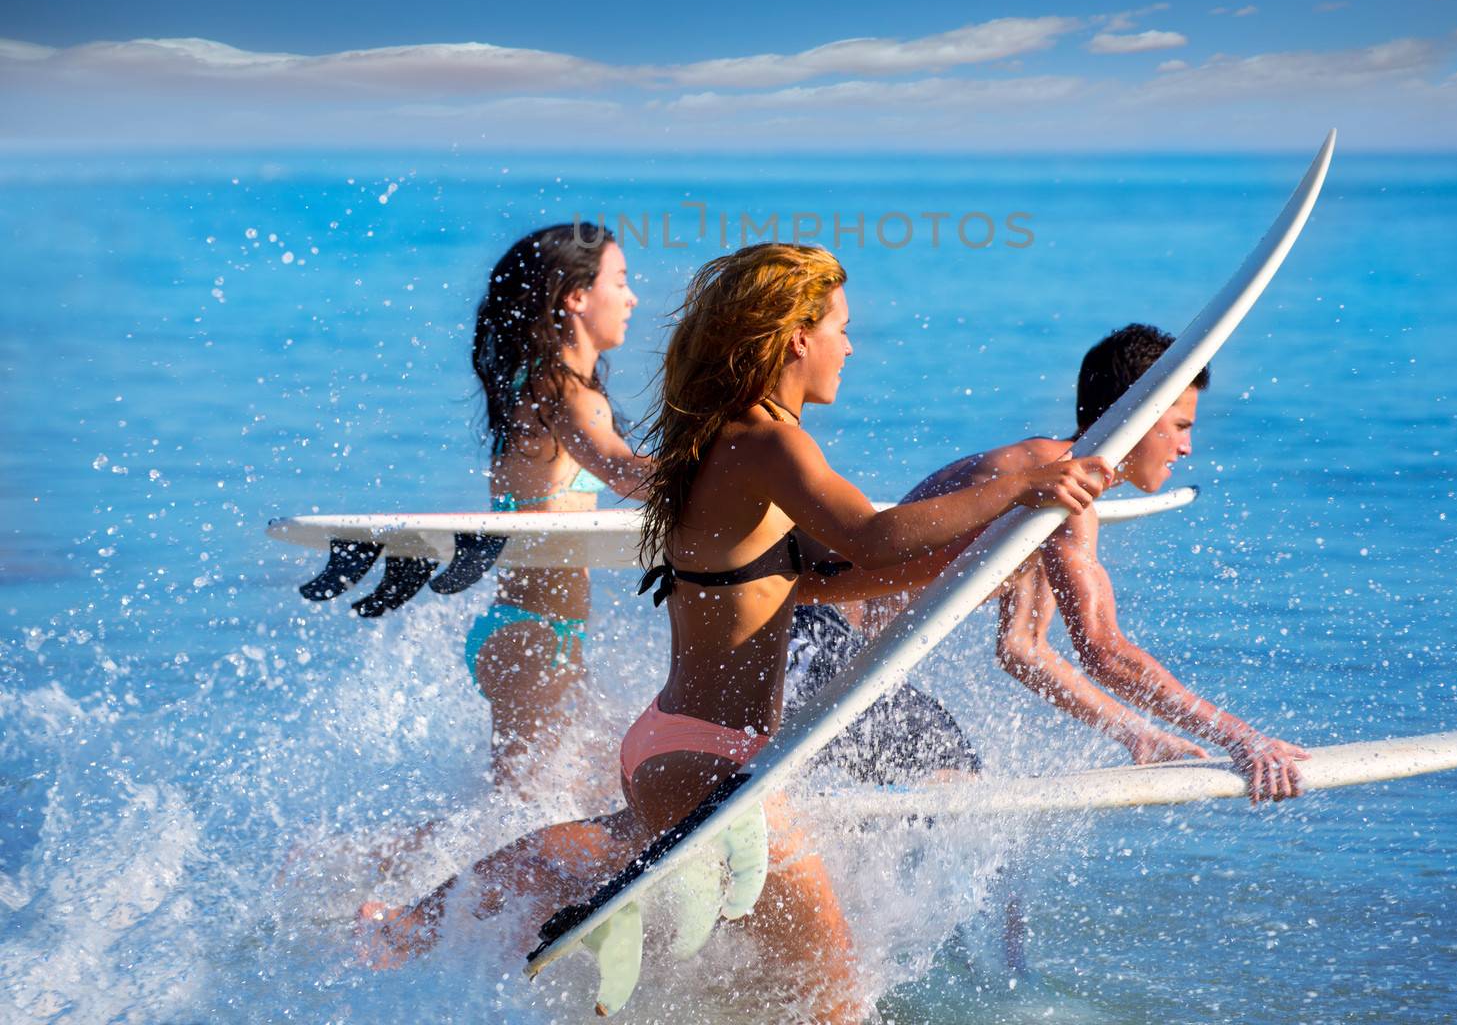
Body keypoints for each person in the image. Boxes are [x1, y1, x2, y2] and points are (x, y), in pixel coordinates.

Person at [361, 243, 1112, 1018]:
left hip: (674, 743)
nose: (850, 348)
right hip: (717, 759)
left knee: (704, 943)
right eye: (841, 330)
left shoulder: (726, 439)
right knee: (835, 1003)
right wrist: (1023, 483)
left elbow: (832, 578)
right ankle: (417, 922)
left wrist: (979, 553)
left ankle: (419, 923)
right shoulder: (767, 442)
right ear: (796, 338)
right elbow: (873, 535)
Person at [788, 323, 1308, 804]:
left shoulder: (1047, 486)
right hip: (812, 638)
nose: (1187, 447)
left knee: (952, 786)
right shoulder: (1054, 483)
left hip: (836, 652)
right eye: (1179, 426)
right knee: (953, 782)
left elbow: (1023, 650)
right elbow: (1105, 651)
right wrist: (1244, 739)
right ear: (1138, 414)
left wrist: (1140, 736)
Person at [468, 222, 651, 787]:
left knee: (554, 797)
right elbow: (629, 475)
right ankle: (361, 865)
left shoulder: (535, 386)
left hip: (532, 631)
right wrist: (739, 465)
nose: (632, 297)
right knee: (517, 814)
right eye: (619, 281)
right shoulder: (569, 395)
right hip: (536, 636)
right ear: (576, 296)